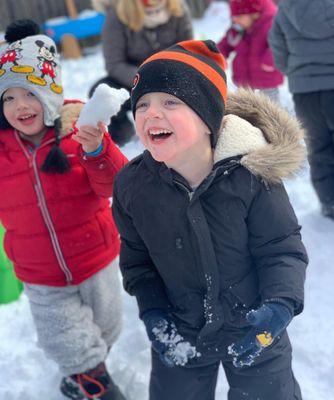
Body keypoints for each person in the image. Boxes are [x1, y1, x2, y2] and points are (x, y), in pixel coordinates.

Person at [112, 39, 308, 400]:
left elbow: (281, 249)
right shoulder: (133, 186)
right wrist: (153, 313)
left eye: (171, 101)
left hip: (255, 330)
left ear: (207, 117)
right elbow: (137, 260)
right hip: (180, 330)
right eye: (142, 105)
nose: (152, 113)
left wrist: (279, 305)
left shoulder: (250, 175)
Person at [0, 19, 128, 400]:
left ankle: (84, 374)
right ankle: (93, 383)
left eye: (30, 93)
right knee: (69, 340)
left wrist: (96, 150)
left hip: (96, 256)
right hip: (40, 272)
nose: (20, 106)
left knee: (106, 330)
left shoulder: (79, 128)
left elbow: (115, 186)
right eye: (8, 97)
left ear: (51, 93)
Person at [89, 0, 193, 146]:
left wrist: (172, 76)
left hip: (173, 75)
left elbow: (188, 52)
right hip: (134, 80)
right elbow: (115, 64)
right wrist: (147, 78)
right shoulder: (118, 14)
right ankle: (124, 138)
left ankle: (189, 127)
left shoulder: (177, 8)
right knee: (101, 92)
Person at [269, 0, 334, 219]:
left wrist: (298, 73)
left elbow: (278, 48)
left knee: (319, 145)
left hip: (305, 92)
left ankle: (329, 201)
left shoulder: (286, 10)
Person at [217, 0, 283, 102]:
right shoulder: (239, 26)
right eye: (233, 17)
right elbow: (226, 43)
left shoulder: (271, 24)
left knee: (269, 111)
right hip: (244, 81)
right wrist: (217, 56)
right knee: (245, 110)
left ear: (253, 13)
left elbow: (279, 45)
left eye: (239, 16)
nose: (235, 20)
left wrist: (269, 60)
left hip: (266, 80)